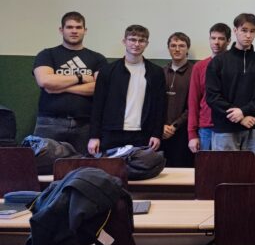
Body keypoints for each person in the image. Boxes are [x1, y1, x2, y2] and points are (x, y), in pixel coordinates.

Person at [205, 13, 255, 168]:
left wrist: (244, 111)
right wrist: (240, 116)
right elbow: (212, 97)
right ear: (235, 30)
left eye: (252, 31)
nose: (248, 35)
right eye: (244, 30)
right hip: (225, 129)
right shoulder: (218, 62)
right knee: (225, 173)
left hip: (254, 128)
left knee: (254, 173)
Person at [32, 11, 108, 154]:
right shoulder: (47, 54)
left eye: (78, 27)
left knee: (84, 165)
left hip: (85, 124)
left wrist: (61, 88)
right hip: (50, 122)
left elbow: (100, 88)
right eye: (69, 27)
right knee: (43, 164)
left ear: (85, 30)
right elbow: (45, 81)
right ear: (61, 30)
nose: (74, 31)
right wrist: (80, 77)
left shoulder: (97, 58)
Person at [88, 25, 165, 154]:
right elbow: (98, 105)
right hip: (112, 132)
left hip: (143, 134)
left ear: (147, 44)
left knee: (141, 167)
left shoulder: (156, 72)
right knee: (110, 167)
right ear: (124, 41)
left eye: (141, 40)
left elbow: (160, 105)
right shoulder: (107, 71)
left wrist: (157, 134)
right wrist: (94, 136)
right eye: (132, 39)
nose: (136, 44)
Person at [186, 23, 230, 153]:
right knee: (206, 165)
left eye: (221, 38)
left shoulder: (234, 66)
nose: (216, 42)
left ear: (228, 41)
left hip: (228, 127)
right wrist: (192, 134)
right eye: (213, 38)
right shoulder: (199, 67)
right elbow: (193, 101)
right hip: (206, 128)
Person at [162, 32, 194, 167]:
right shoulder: (161, 72)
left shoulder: (194, 72)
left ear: (187, 49)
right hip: (161, 132)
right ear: (168, 48)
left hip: (184, 133)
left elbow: (194, 105)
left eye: (181, 46)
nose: (177, 49)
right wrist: (162, 125)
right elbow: (154, 104)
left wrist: (175, 125)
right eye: (173, 45)